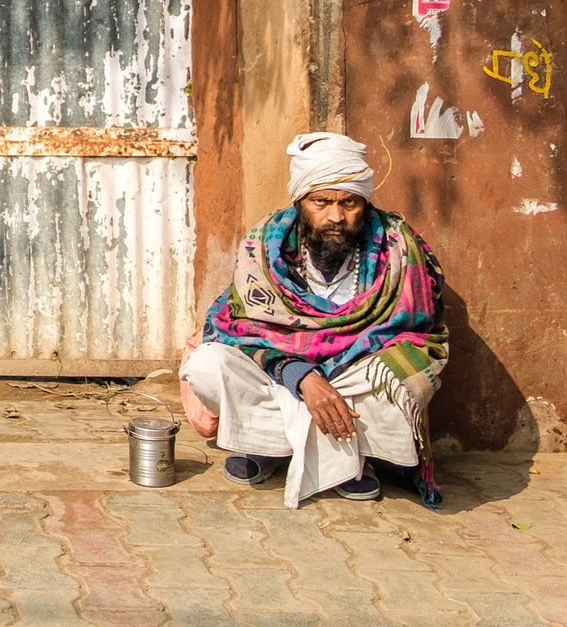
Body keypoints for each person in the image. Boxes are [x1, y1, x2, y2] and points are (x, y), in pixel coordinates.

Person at [179, 132, 450, 508]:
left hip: (354, 371)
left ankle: (350, 460)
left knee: (402, 370)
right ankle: (269, 447)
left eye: (349, 202)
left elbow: (417, 328)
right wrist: (302, 377)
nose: (336, 217)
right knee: (207, 364)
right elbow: (244, 329)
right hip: (283, 369)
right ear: (300, 200)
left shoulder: (397, 246)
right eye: (321, 202)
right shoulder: (265, 243)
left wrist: (332, 374)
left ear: (364, 201)